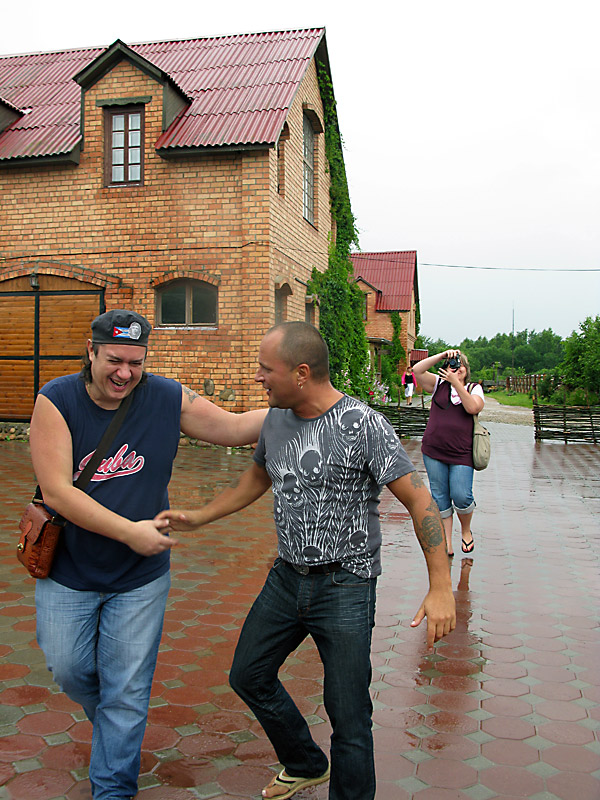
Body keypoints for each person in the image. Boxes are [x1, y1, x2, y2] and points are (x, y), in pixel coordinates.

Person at [159, 321, 456, 800]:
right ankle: (304, 762)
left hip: (346, 586)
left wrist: (440, 585)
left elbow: (420, 502)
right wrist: (200, 516)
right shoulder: (276, 420)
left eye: (265, 369)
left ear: (301, 373)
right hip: (286, 578)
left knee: (349, 718)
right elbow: (256, 479)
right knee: (248, 675)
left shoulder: (362, 425)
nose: (258, 377)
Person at [28, 309, 266, 800]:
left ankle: (112, 786)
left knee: (128, 688)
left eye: (136, 363)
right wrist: (128, 532)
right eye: (114, 360)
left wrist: (318, 403)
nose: (124, 373)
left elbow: (237, 427)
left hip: (141, 577)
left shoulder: (165, 397)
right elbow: (56, 492)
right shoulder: (56, 399)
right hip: (69, 571)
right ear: (91, 352)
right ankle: (116, 725)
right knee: (70, 669)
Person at [412, 349, 484, 558]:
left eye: (461, 365)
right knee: (440, 497)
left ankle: (466, 530)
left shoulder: (474, 388)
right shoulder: (437, 385)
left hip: (462, 453)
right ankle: (447, 542)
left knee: (462, 495)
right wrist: (443, 355)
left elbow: (472, 408)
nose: (457, 368)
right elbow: (417, 369)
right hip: (434, 450)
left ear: (466, 370)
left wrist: (457, 384)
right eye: (453, 364)